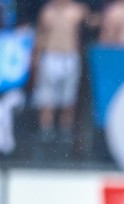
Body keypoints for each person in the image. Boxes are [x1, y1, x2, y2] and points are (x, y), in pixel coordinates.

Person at [32, 0, 92, 141]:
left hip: (70, 56)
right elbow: (40, 35)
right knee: (46, 99)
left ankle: (66, 132)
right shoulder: (47, 12)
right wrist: (36, 56)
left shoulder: (77, 10)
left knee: (69, 99)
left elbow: (92, 24)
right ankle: (45, 132)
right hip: (50, 56)